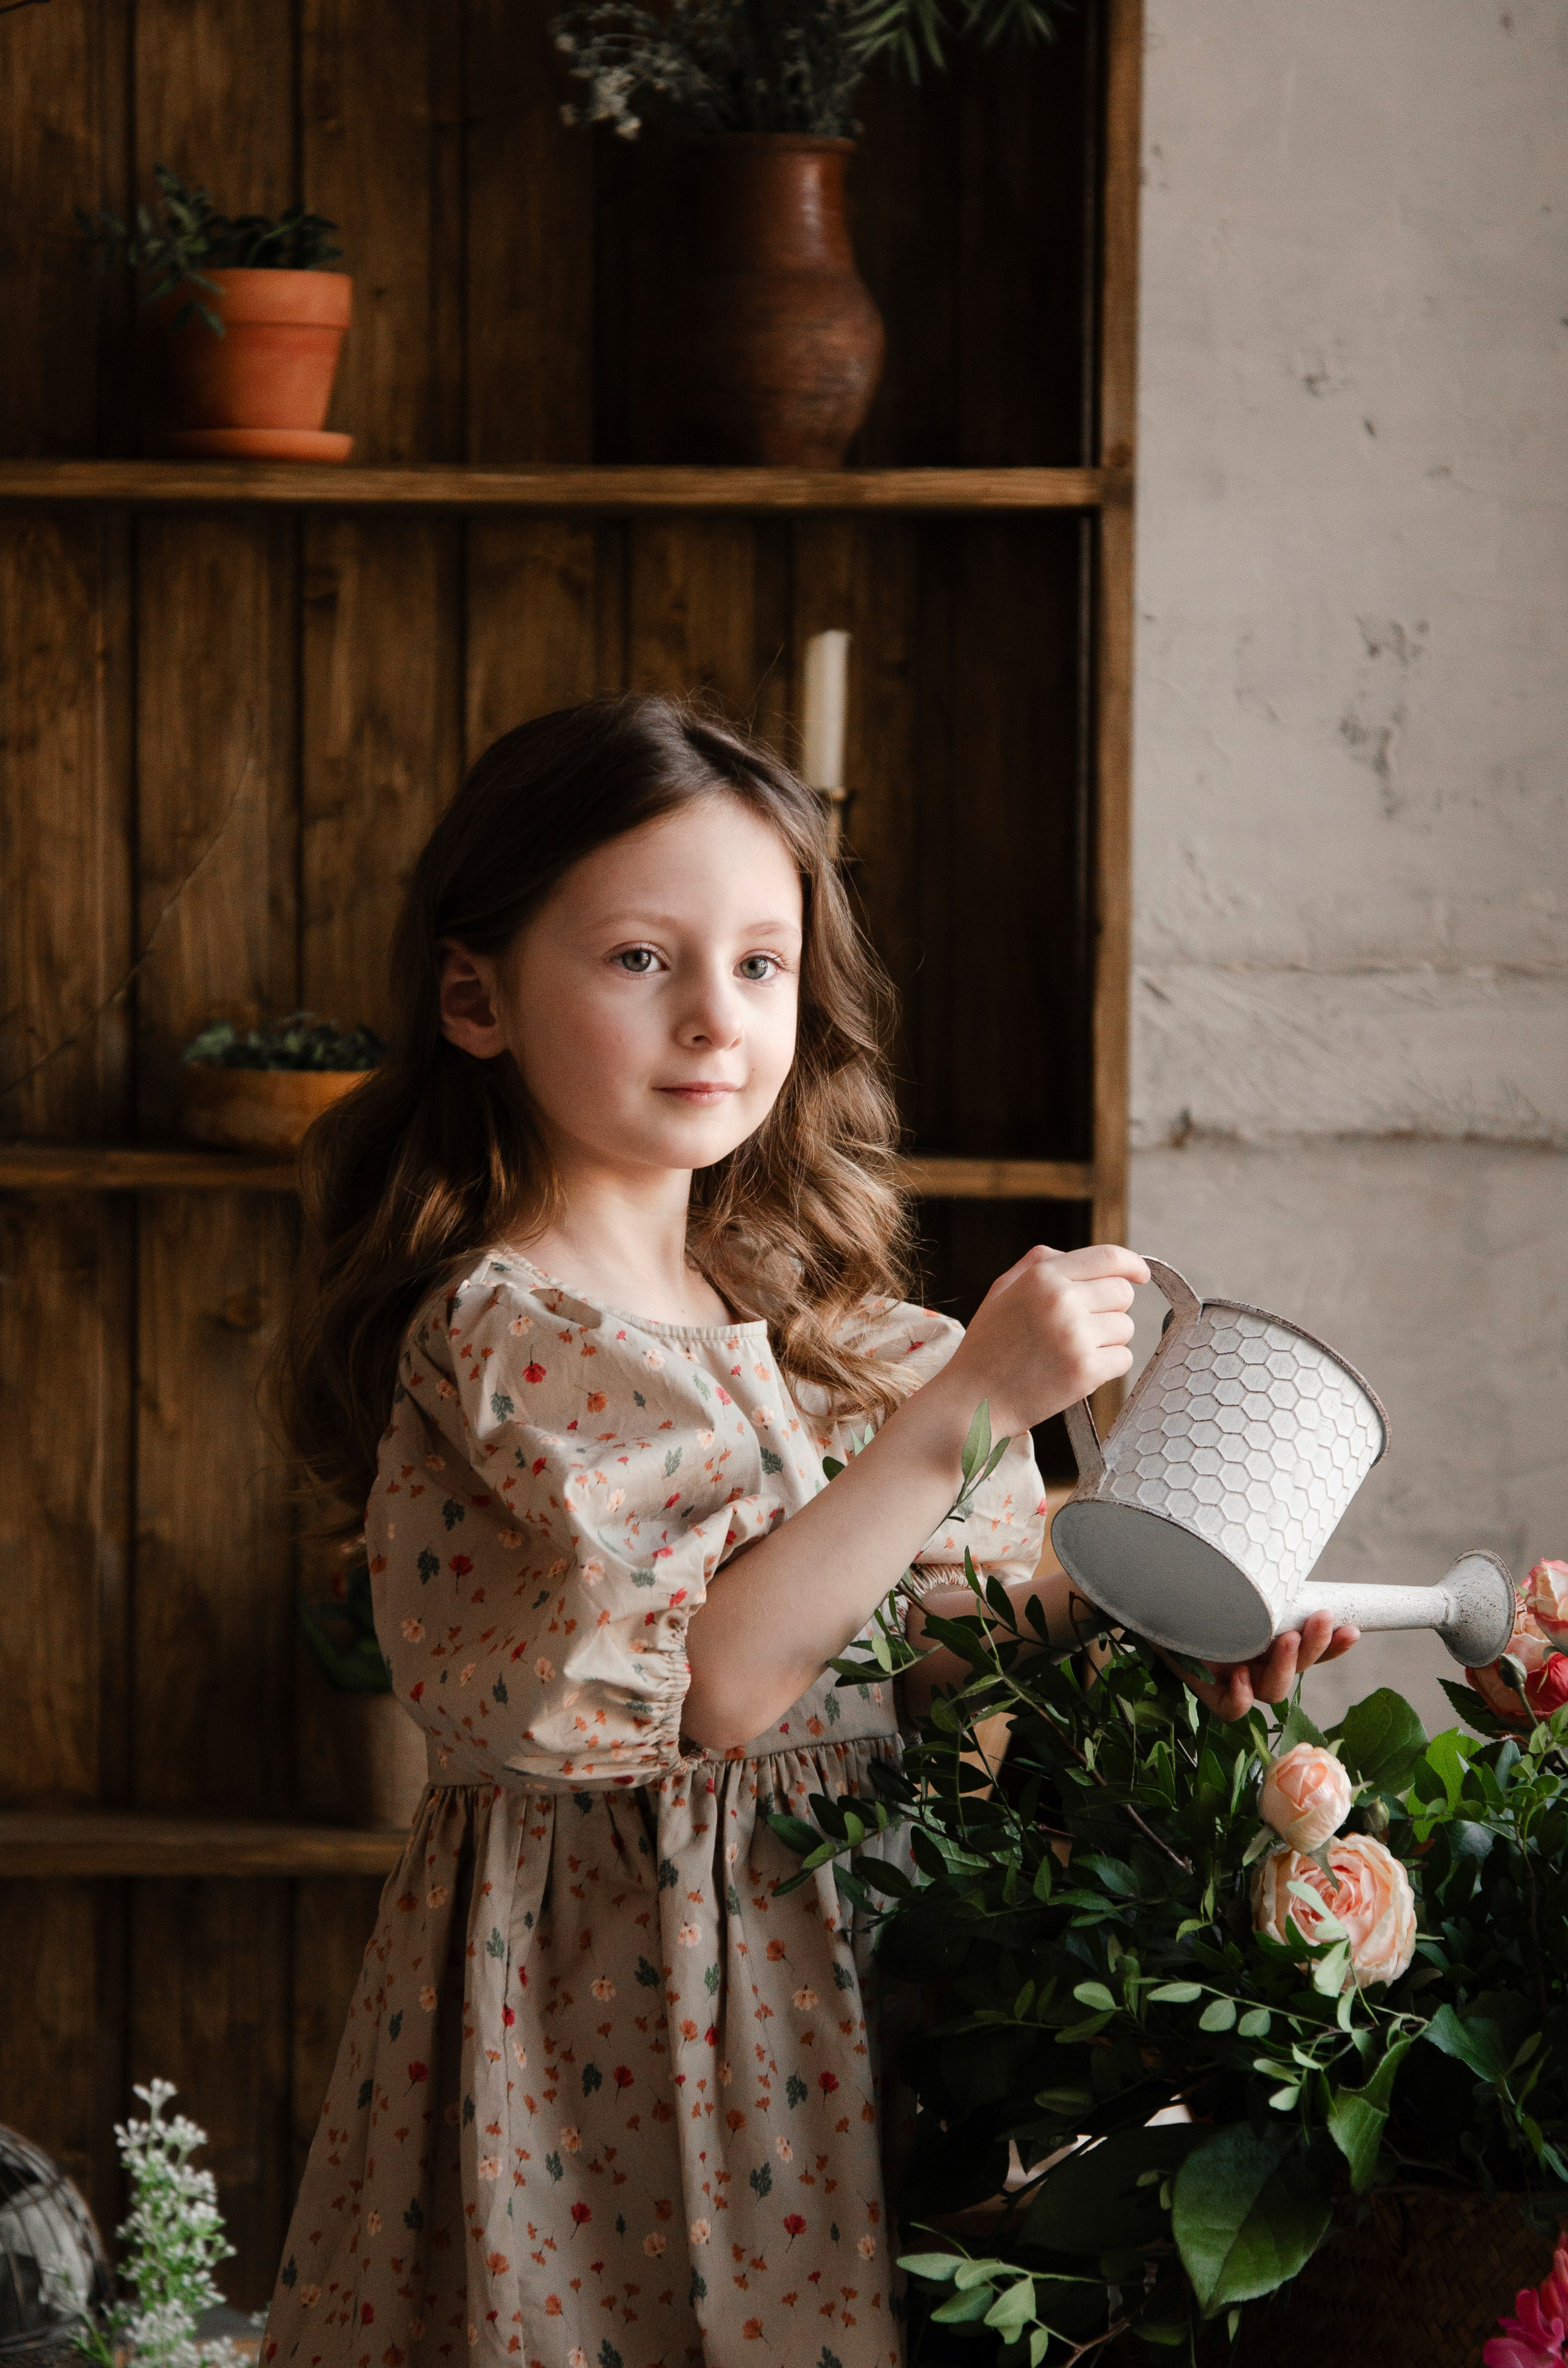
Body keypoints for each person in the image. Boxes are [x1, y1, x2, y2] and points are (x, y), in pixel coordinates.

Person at [262, 695, 1355, 2368]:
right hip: (616, 2013)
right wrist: (970, 1405)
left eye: (762, 964)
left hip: (845, 1978)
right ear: (474, 995)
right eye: (642, 958)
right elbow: (714, 1687)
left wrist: (1143, 1607)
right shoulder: (508, 1336)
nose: (715, 1015)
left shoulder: (806, 1325)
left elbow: (890, 1642)